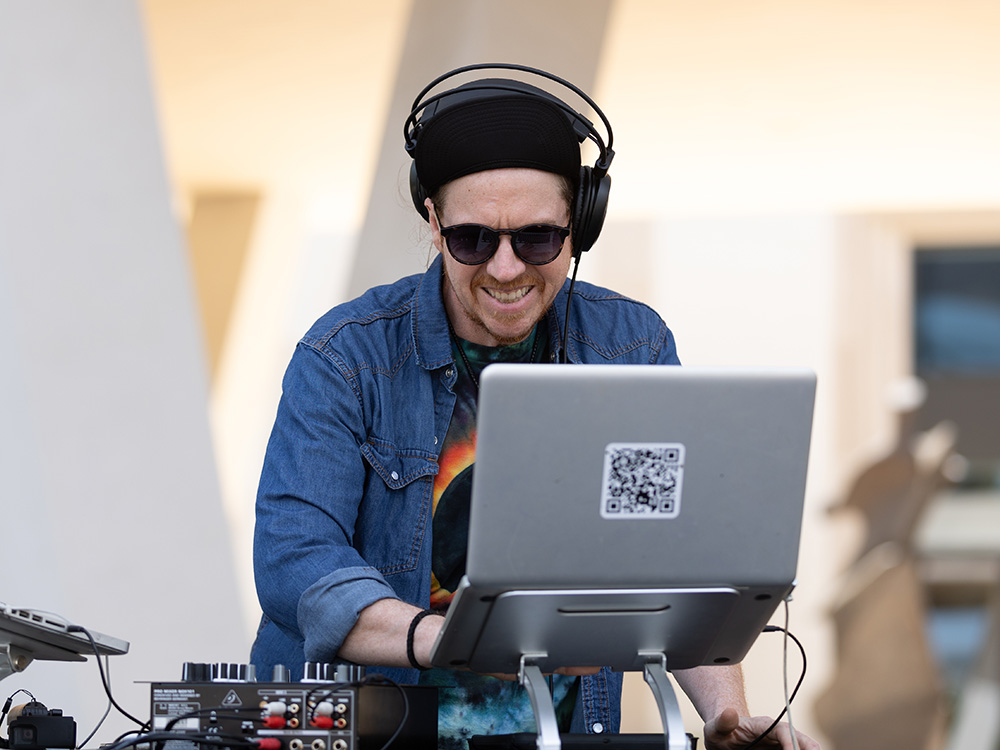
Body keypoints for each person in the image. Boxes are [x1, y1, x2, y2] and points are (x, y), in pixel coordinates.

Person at [251, 64, 819, 750]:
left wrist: (726, 717)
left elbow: (670, 561)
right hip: (381, 732)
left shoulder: (631, 344)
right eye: (473, 239)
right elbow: (296, 561)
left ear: (580, 224)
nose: (506, 267)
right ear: (432, 222)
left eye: (537, 237)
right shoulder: (345, 356)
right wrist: (453, 641)